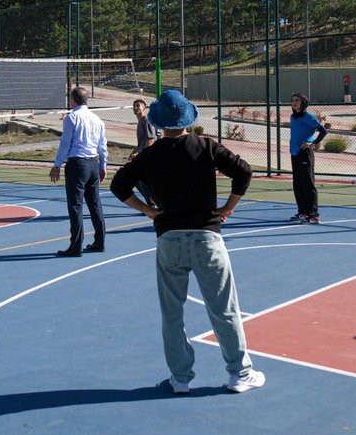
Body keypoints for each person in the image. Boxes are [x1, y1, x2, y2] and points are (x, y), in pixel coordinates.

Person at [110, 89, 265, 395]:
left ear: (158, 122)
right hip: (207, 237)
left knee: (172, 313)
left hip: (170, 238)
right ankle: (240, 373)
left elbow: (119, 185)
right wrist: (228, 206)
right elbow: (244, 171)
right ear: (188, 119)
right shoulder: (205, 146)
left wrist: (148, 211)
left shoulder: (150, 154)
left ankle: (180, 378)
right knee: (224, 309)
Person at [49, 86, 107, 256]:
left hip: (77, 164)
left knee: (75, 205)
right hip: (93, 164)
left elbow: (65, 143)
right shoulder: (97, 119)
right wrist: (103, 166)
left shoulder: (72, 117)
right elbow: (102, 145)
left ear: (73, 100)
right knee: (95, 204)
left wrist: (57, 165)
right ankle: (99, 241)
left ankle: (76, 246)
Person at [288, 93, 327, 224]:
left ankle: (313, 214)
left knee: (308, 183)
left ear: (303, 103)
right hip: (295, 153)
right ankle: (303, 211)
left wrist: (313, 143)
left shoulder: (308, 117)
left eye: (297, 100)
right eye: (293, 100)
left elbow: (323, 131)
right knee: (298, 184)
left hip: (305, 153)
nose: (294, 103)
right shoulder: (293, 117)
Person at [128, 98, 159, 208]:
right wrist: (134, 151)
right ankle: (152, 203)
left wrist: (142, 155)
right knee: (136, 178)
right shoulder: (140, 121)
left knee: (141, 179)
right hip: (143, 155)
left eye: (138, 106)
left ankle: (153, 204)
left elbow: (150, 140)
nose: (135, 108)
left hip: (149, 156)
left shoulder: (146, 120)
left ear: (144, 108)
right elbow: (142, 141)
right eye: (134, 106)